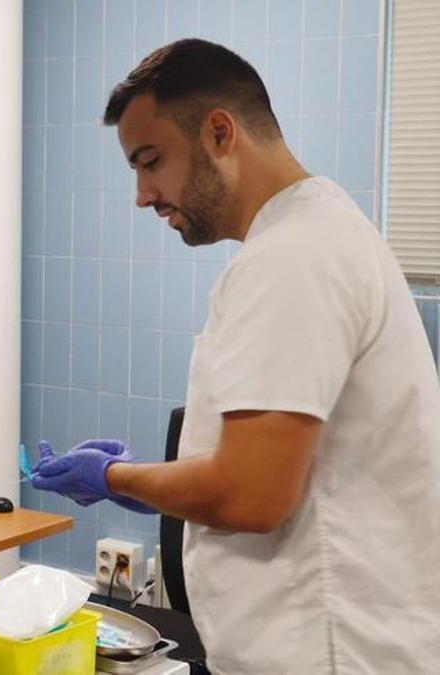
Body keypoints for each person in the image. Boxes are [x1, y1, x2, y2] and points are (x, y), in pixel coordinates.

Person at [30, 39, 440, 673]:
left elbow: (252, 496)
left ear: (220, 132)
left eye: (151, 161)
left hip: (328, 652)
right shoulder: (317, 232)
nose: (143, 194)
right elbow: (280, 471)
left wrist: (112, 479)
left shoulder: (294, 257)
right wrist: (153, 487)